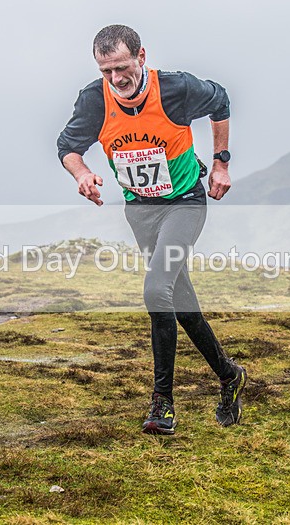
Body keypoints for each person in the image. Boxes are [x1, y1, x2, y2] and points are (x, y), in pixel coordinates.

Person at [57, 24, 246, 435]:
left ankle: (163, 403)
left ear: (142, 57)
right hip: (140, 212)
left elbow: (222, 100)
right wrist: (83, 173)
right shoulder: (95, 100)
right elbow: (67, 148)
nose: (116, 79)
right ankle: (229, 374)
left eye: (122, 67)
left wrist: (221, 163)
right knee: (181, 304)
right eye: (106, 71)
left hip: (184, 204)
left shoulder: (176, 89)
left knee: (156, 290)